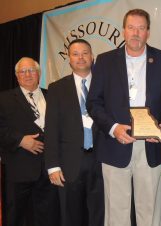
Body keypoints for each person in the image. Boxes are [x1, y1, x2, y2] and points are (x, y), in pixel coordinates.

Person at [86, 8, 161, 226]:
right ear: (123, 31)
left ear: (148, 32)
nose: (136, 33)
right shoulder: (105, 61)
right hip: (115, 143)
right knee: (116, 212)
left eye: (141, 28)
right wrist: (113, 127)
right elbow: (93, 103)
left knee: (150, 211)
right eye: (131, 27)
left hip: (150, 146)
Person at [44, 39, 104, 226]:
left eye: (85, 53)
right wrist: (52, 166)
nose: (80, 57)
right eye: (75, 54)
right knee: (71, 216)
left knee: (100, 214)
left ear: (92, 56)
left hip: (102, 161)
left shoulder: (105, 84)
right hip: (69, 164)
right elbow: (51, 128)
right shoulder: (56, 88)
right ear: (69, 59)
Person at [0, 57, 60, 226]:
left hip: (49, 172)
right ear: (16, 76)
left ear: (39, 74)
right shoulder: (4, 99)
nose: (27, 75)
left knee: (48, 217)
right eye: (22, 71)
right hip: (19, 170)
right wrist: (20, 140)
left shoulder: (52, 95)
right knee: (16, 217)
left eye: (31, 70)